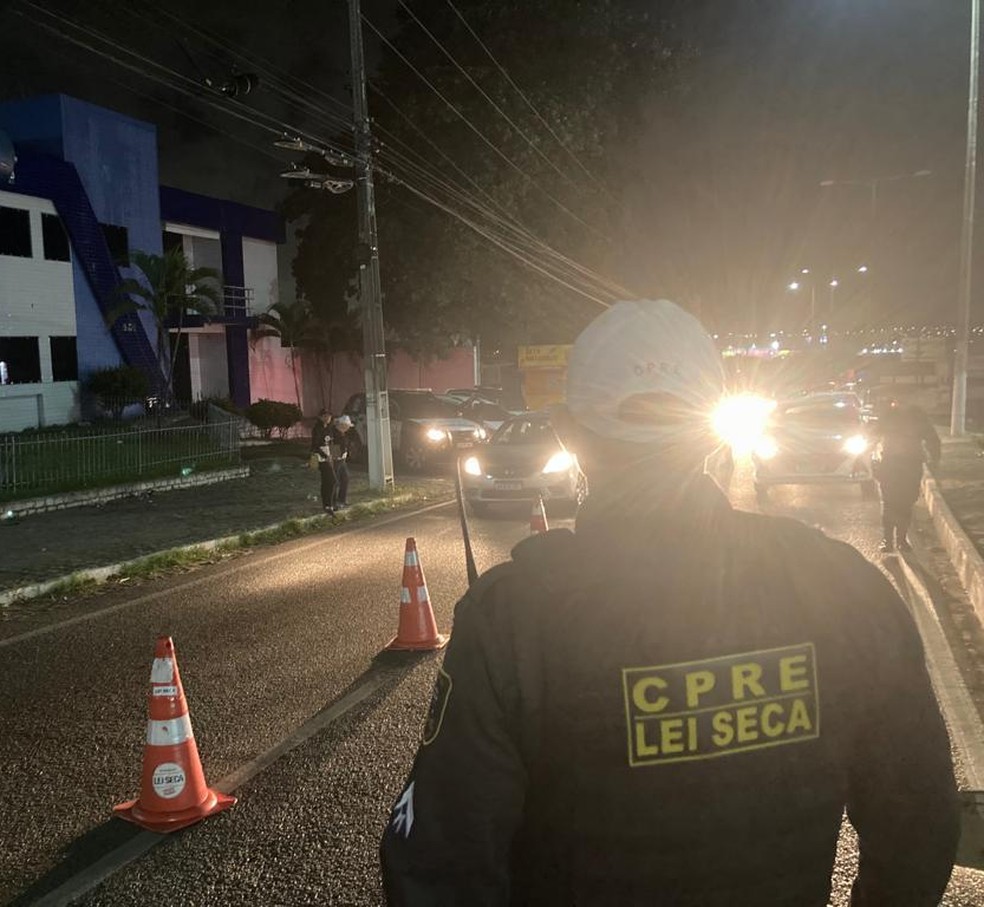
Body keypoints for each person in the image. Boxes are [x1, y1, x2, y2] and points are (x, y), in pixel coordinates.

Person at [380, 299, 959, 906]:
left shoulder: (513, 618)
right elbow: (920, 823)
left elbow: (439, 866)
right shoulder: (842, 587)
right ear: (711, 436)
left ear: (571, 434)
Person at [873, 401, 941, 553]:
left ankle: (902, 539)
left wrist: (935, 460)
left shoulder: (918, 416)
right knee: (890, 502)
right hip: (890, 464)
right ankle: (888, 540)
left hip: (911, 465)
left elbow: (933, 439)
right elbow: (873, 435)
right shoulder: (888, 416)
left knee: (906, 502)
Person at [310, 409, 337, 514]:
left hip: (329, 456)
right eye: (325, 416)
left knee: (327, 481)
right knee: (332, 480)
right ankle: (328, 505)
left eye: (329, 416)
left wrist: (334, 455)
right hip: (321, 458)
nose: (327, 418)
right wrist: (325, 456)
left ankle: (328, 505)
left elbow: (331, 442)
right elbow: (315, 446)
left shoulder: (329, 428)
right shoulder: (317, 429)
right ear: (320, 417)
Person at [330, 414, 355, 509]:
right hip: (336, 460)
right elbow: (332, 446)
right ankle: (333, 502)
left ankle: (342, 500)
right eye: (346, 426)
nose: (348, 428)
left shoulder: (342, 433)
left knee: (345, 479)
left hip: (342, 460)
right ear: (342, 425)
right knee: (334, 481)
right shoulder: (334, 433)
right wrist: (337, 456)